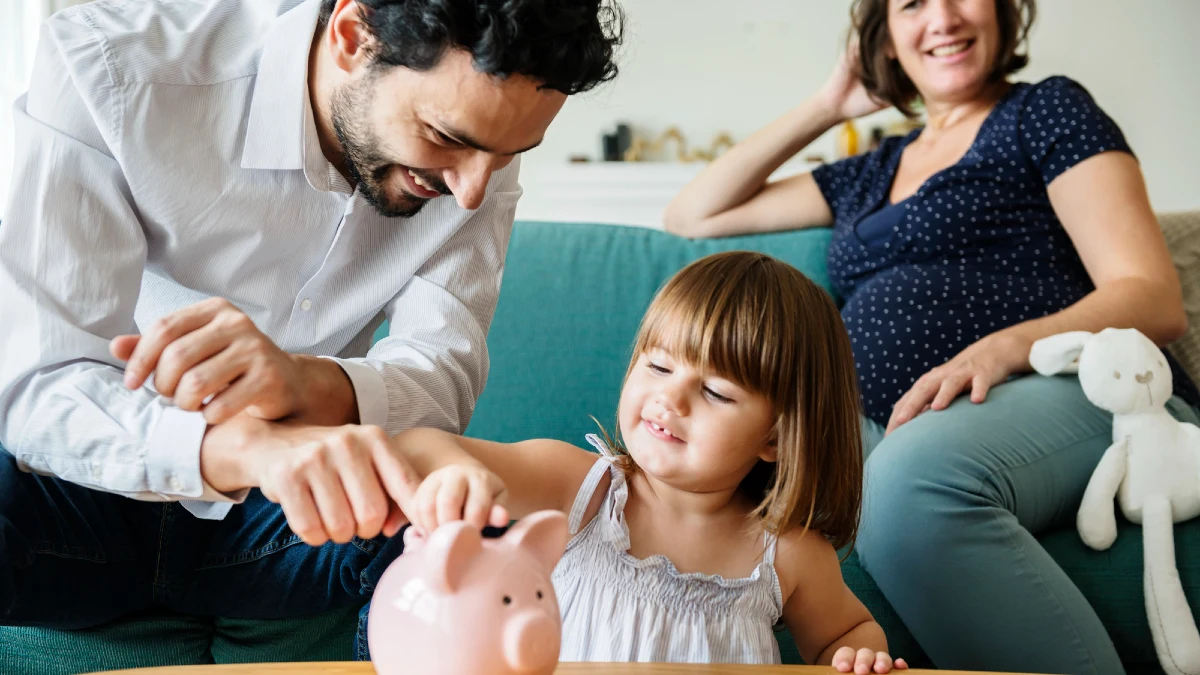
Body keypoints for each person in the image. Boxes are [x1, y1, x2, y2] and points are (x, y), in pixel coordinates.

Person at [0, 0, 621, 658]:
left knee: (456, 535)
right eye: (446, 138)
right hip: (84, 501)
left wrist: (304, 381)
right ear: (354, 36)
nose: (471, 192)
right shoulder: (111, 67)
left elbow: (440, 381)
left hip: (290, 522)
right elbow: (37, 384)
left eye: (507, 156)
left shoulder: (481, 141)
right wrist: (251, 449)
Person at [661, 1, 1198, 673]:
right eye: (912, 4)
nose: (942, 17)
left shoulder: (1046, 111)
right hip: (905, 419)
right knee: (760, 462)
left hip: (1072, 386)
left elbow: (1153, 296)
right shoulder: (871, 169)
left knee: (911, 484)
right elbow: (692, 213)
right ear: (884, 38)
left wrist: (1001, 350)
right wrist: (830, 102)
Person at [389, 252, 906, 673]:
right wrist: (458, 474)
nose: (670, 398)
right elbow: (422, 448)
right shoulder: (580, 489)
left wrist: (859, 656)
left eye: (716, 393)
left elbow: (846, 633)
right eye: (658, 365)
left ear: (775, 437)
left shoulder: (787, 552)